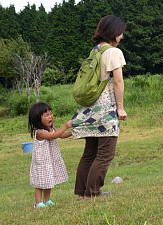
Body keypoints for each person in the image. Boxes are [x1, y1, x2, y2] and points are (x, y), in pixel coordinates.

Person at [72, 15, 127, 199]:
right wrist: (120, 107)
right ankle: (93, 192)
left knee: (90, 153)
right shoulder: (113, 52)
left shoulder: (95, 51)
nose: (122, 37)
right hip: (106, 110)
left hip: (90, 109)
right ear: (114, 32)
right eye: (121, 33)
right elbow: (118, 82)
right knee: (105, 154)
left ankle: (82, 192)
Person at [28, 102, 72, 208]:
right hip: (41, 163)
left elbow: (61, 135)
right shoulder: (40, 132)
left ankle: (46, 200)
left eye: (51, 113)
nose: (50, 116)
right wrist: (65, 126)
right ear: (38, 119)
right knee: (40, 183)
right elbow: (54, 136)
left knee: (49, 180)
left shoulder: (51, 129)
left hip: (49, 161)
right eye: (47, 115)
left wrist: (73, 132)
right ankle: (38, 203)